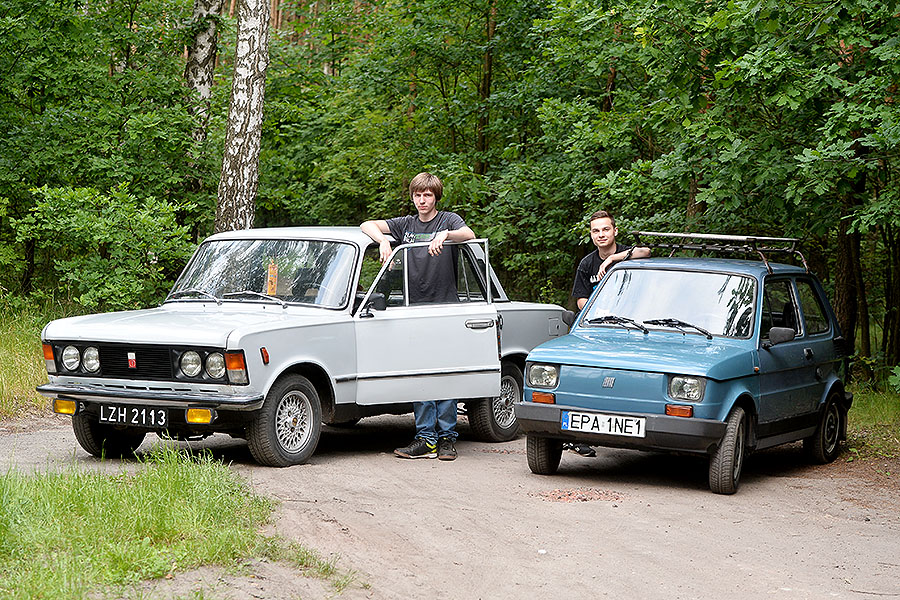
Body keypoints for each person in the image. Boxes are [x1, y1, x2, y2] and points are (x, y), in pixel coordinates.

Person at [360, 172, 475, 461]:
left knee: (446, 376)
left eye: (427, 195)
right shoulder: (406, 224)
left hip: (445, 310)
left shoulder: (448, 220)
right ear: (412, 197)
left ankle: (447, 439)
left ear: (436, 197)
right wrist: (383, 241)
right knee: (420, 375)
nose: (422, 200)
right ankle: (426, 439)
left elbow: (469, 234)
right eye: (417, 195)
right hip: (414, 310)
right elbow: (367, 224)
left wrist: (445, 235)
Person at [567, 210, 650, 457]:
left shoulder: (628, 254)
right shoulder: (586, 264)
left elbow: (646, 251)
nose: (601, 234)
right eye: (596, 231)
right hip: (597, 329)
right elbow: (581, 300)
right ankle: (577, 438)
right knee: (581, 376)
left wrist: (612, 259)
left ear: (615, 231)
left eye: (605, 229)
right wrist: (600, 311)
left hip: (632, 329)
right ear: (591, 235)